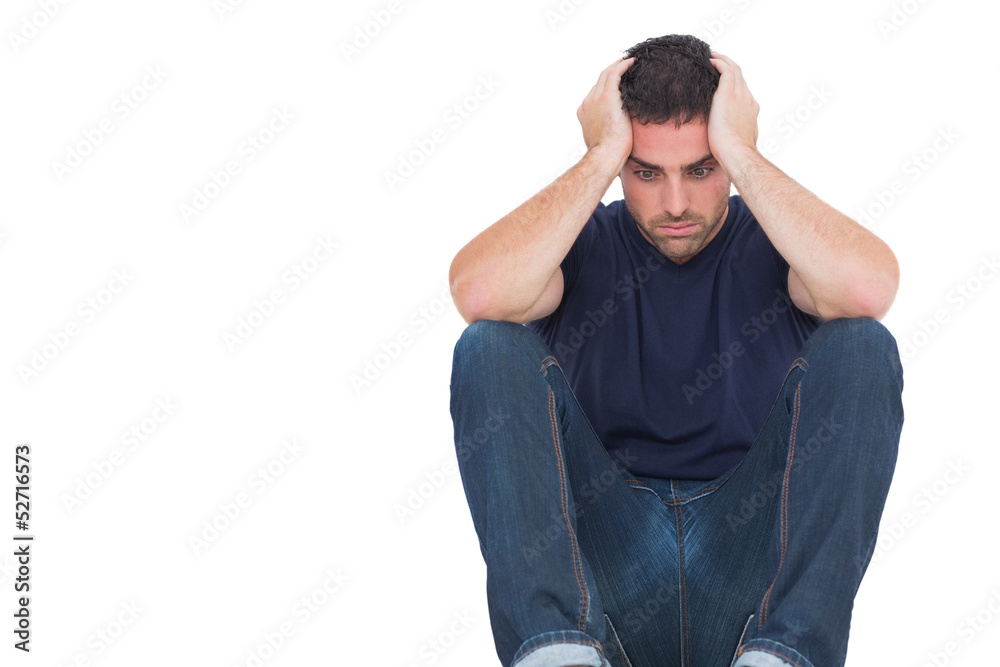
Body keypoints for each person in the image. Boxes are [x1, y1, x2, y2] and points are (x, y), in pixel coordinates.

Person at [447, 34, 903, 667]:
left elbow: (868, 288)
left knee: (862, 345)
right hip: (609, 570)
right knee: (489, 345)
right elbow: (478, 293)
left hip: (749, 571)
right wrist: (599, 155)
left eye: (700, 168)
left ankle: (786, 654)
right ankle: (557, 653)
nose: (676, 204)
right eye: (645, 173)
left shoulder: (785, 245)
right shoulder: (576, 245)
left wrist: (741, 150)